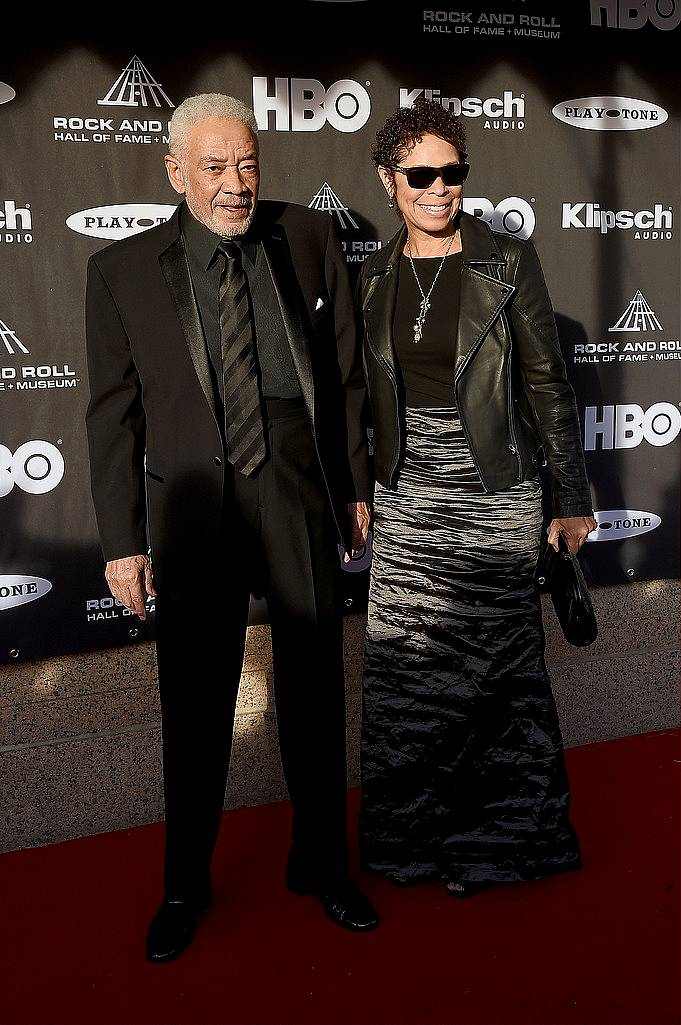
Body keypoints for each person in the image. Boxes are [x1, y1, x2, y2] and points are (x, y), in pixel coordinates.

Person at [85, 93, 378, 963]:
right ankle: (185, 882)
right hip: (191, 510)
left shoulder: (309, 237)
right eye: (214, 168)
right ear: (175, 172)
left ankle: (322, 863)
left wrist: (354, 482)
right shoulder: (122, 270)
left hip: (295, 489)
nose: (236, 183)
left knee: (316, 688)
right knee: (196, 702)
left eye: (247, 163)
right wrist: (121, 539)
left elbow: (347, 374)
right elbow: (112, 415)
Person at [358, 97, 596, 896]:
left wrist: (568, 495)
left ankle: (505, 844)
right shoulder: (372, 275)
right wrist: (360, 487)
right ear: (388, 181)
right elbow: (363, 395)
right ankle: (414, 842)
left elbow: (545, 384)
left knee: (500, 676)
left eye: (451, 172)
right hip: (407, 495)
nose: (437, 188)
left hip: (494, 488)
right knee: (409, 677)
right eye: (419, 174)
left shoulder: (508, 261)